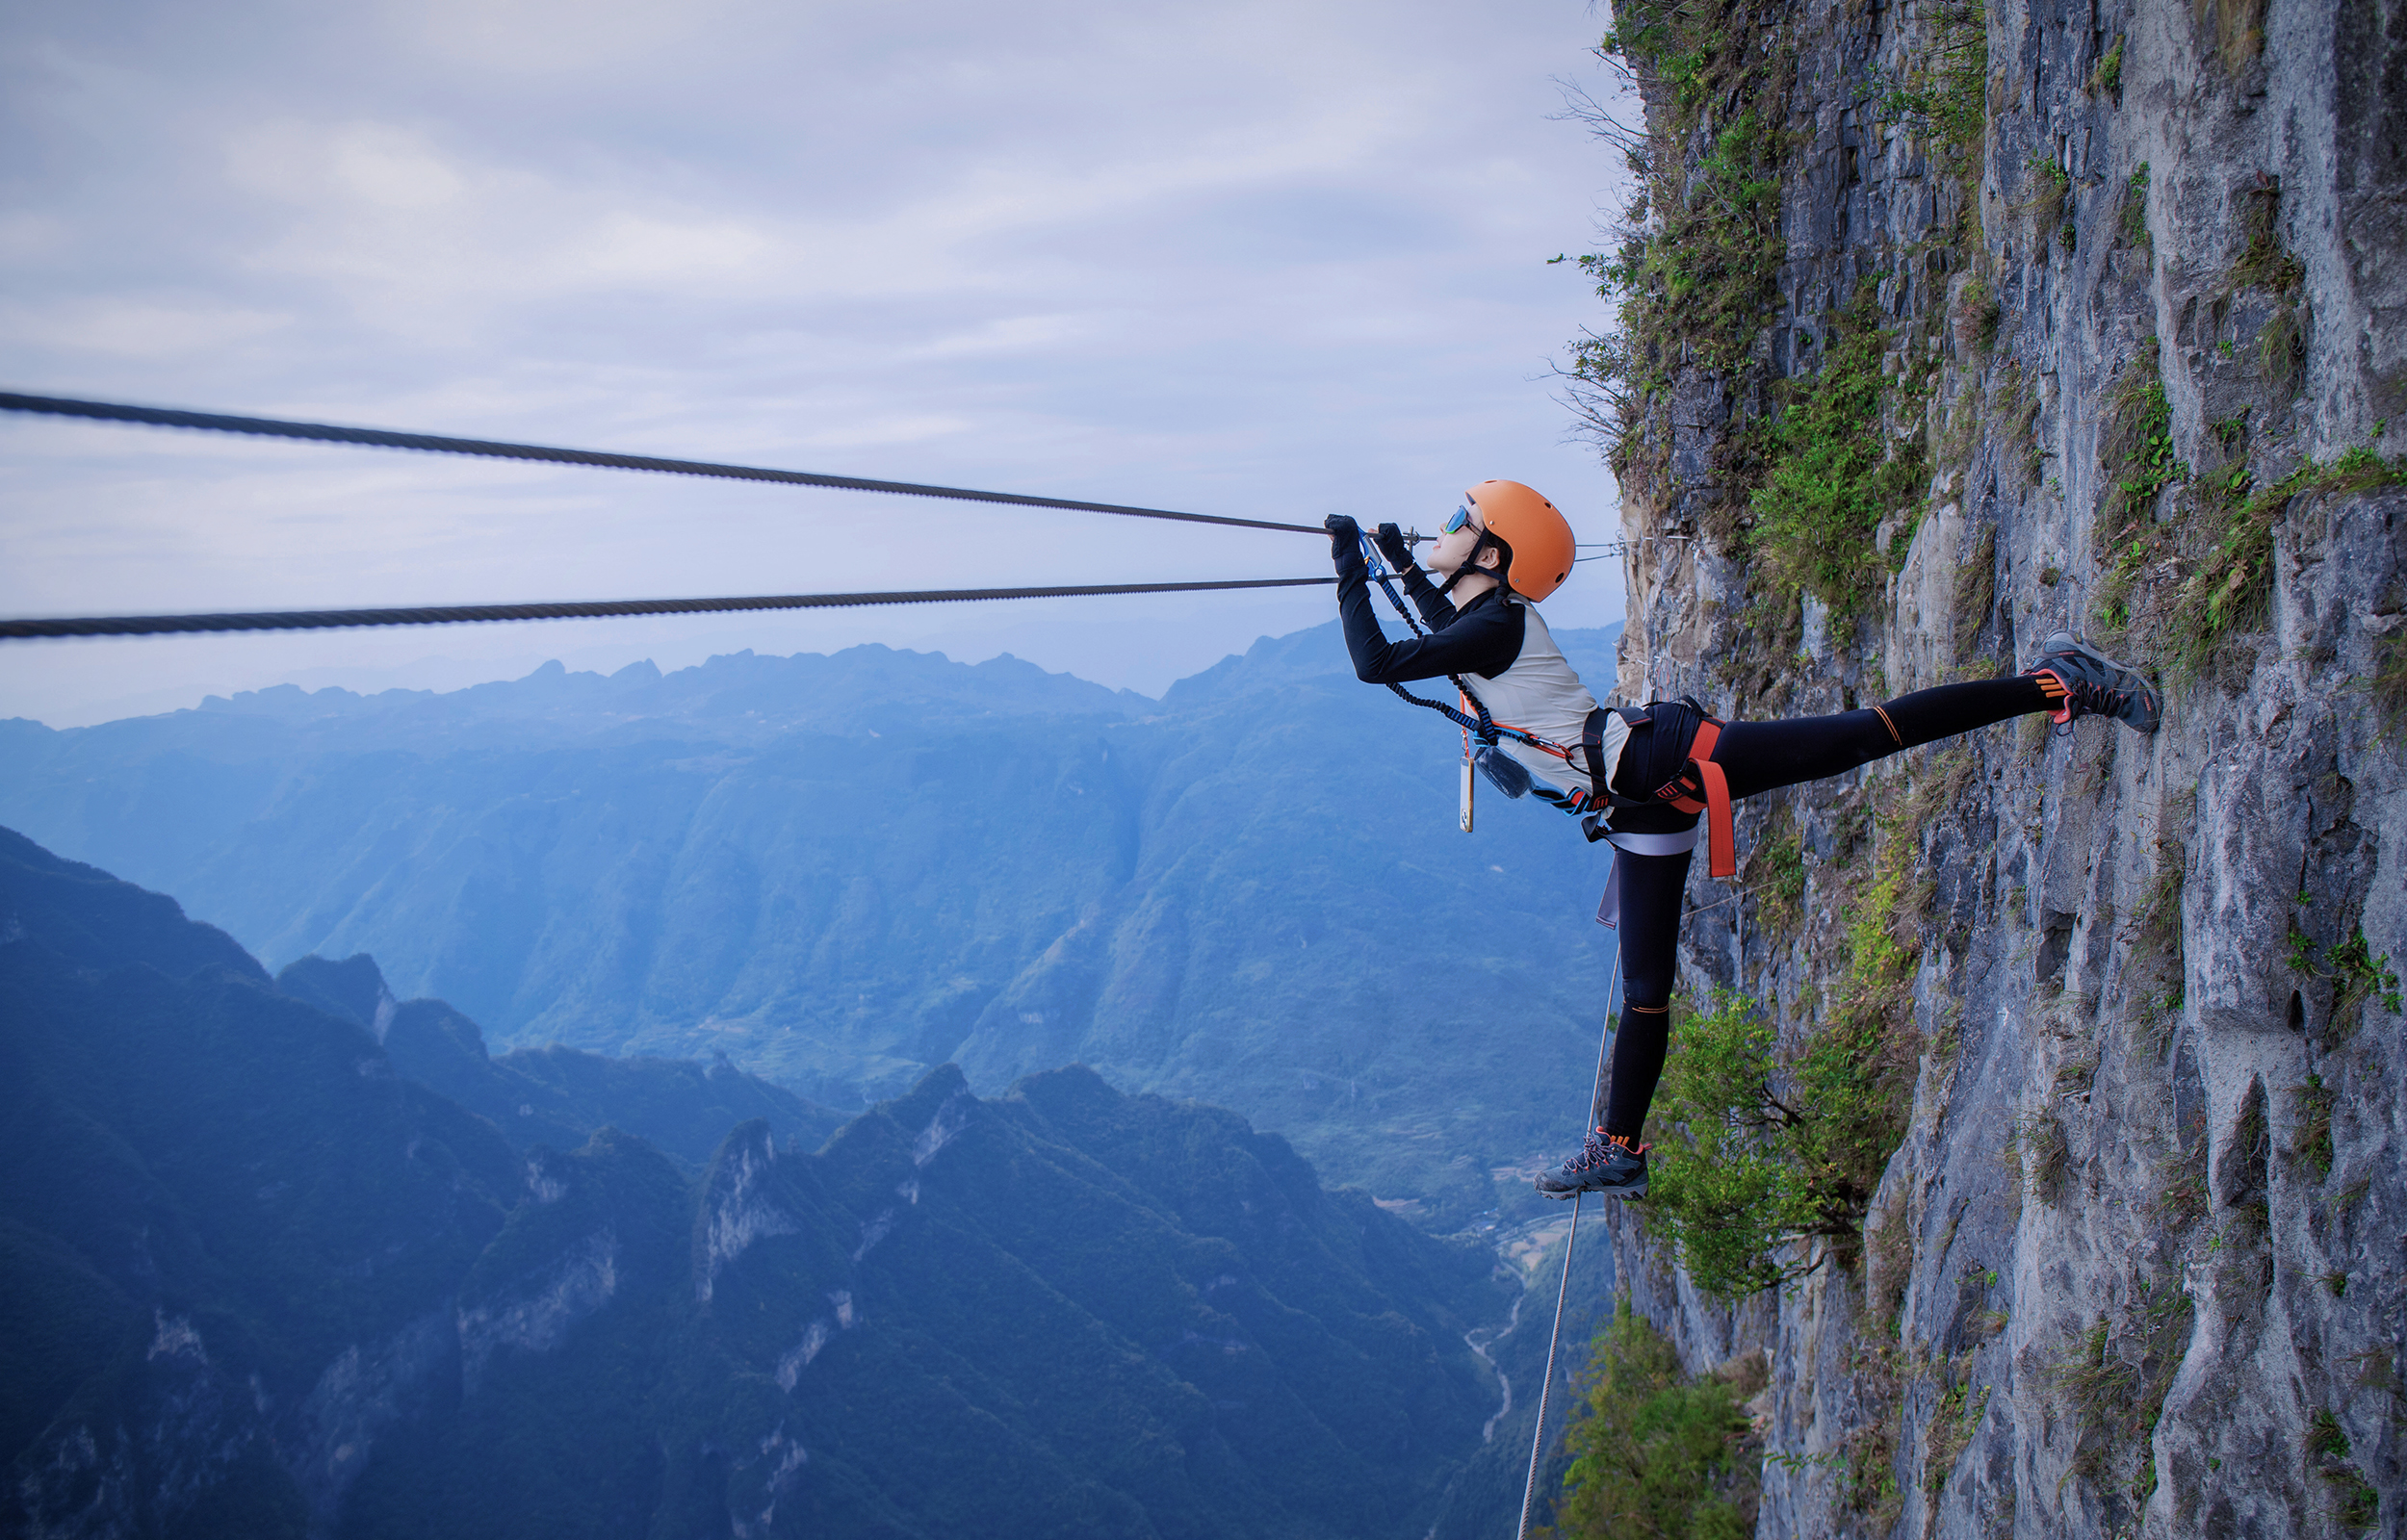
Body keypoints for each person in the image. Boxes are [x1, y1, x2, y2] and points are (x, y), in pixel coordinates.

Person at [1325, 483, 2161, 1201]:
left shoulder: (1498, 624)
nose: (1443, 525)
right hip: (1635, 797)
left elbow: (1380, 662)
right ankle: (1620, 1151)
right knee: (1647, 985)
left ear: (1494, 555)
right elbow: (1438, 634)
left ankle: (2062, 680)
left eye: (1455, 518)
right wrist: (1395, 556)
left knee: (1857, 739)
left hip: (1660, 760)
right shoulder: (1487, 621)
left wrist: (1352, 566)